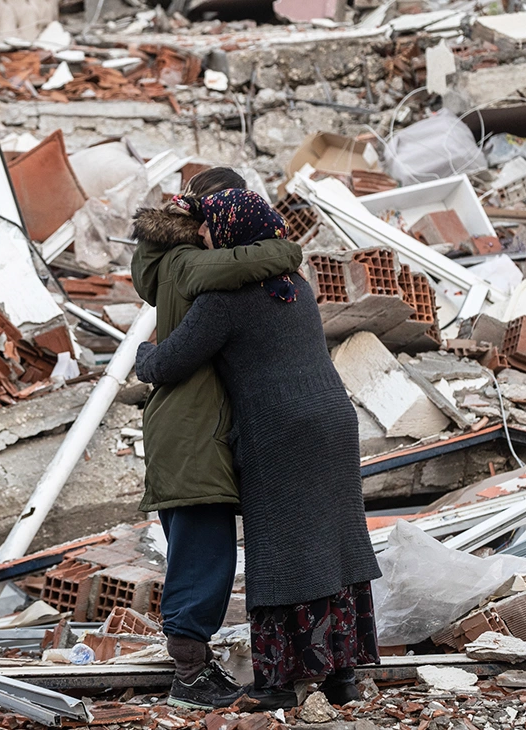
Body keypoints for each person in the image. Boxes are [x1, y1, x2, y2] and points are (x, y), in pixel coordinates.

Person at [134, 188, 381, 710]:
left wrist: (144, 351)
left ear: (229, 233)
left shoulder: (225, 301)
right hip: (335, 420)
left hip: (280, 430)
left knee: (280, 552)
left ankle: (276, 685)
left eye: (208, 227)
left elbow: (168, 365)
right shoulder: (298, 285)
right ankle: (341, 678)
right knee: (333, 544)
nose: (201, 234)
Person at [131, 169, 304, 709]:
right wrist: (287, 250)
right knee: (203, 557)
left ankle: (193, 668)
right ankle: (188, 677)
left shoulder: (165, 263)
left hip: (190, 427)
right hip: (192, 432)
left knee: (199, 551)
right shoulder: (185, 264)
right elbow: (247, 261)